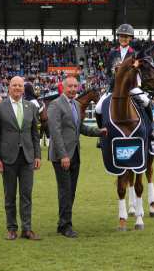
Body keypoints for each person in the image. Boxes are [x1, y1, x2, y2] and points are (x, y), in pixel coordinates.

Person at [47, 76, 107, 238]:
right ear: (63, 87)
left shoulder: (76, 104)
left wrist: (99, 132)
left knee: (71, 191)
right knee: (65, 190)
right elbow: (55, 132)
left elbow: (80, 128)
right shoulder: (55, 105)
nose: (73, 89)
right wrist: (63, 155)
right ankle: (66, 226)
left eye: (75, 86)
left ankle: (62, 223)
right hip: (62, 156)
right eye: (70, 86)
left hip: (75, 154)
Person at [0, 76, 42, 241]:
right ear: (9, 87)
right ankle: (12, 228)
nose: (18, 88)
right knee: (10, 195)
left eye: (20, 86)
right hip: (8, 158)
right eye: (15, 85)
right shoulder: (0, 108)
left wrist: (37, 155)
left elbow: (35, 134)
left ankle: (27, 229)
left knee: (26, 195)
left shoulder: (30, 107)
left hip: (27, 157)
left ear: (23, 88)